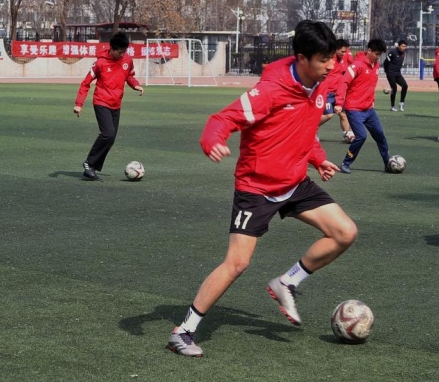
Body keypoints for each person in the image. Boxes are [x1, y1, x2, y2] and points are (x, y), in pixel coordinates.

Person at [167, 21, 358, 358]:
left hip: (294, 182)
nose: (332, 65)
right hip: (256, 187)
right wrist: (212, 141)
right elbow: (221, 120)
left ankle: (288, 282)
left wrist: (317, 158)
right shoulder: (270, 90)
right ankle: (183, 332)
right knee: (237, 263)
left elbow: (303, 127)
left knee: (344, 232)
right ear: (302, 58)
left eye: (333, 58)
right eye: (324, 59)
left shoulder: (319, 83)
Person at [73, 32, 144, 181]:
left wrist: (135, 85)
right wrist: (79, 104)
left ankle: (91, 168)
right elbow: (85, 83)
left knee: (111, 139)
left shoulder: (127, 60)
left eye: (124, 52)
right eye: (119, 52)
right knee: (108, 134)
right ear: (112, 49)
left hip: (116, 103)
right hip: (101, 102)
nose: (122, 55)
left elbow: (129, 76)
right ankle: (89, 163)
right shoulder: (100, 63)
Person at [336, 38, 395, 174]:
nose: (378, 57)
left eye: (380, 55)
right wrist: (339, 103)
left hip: (368, 109)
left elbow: (369, 85)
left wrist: (372, 100)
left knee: (380, 135)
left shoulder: (376, 66)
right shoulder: (356, 66)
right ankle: (346, 163)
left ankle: (388, 163)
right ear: (369, 51)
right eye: (376, 54)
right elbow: (343, 82)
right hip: (354, 108)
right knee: (361, 136)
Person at [317, 38, 355, 143]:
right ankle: (311, 130)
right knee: (328, 115)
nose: (344, 53)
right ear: (336, 49)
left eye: (345, 51)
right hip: (326, 92)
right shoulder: (328, 58)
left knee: (343, 114)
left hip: (338, 92)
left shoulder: (345, 57)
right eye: (342, 51)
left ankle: (347, 134)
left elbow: (353, 63)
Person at [383, 39, 408, 112]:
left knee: (405, 86)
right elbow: (385, 62)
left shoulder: (403, 54)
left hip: (397, 73)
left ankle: (401, 103)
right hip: (390, 73)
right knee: (394, 88)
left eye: (405, 46)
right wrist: (387, 71)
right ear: (399, 46)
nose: (404, 48)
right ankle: (392, 106)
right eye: (402, 46)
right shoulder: (393, 53)